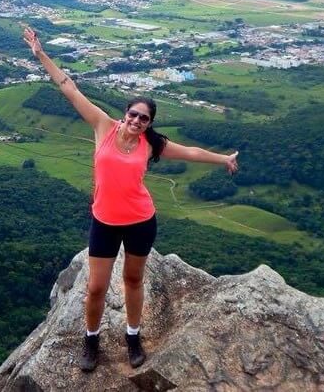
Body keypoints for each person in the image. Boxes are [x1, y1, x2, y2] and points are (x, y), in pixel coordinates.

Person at [23, 26, 238, 372]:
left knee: (134, 281)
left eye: (145, 118)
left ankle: (132, 337)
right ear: (124, 114)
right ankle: (90, 341)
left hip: (140, 221)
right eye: (134, 114)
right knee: (95, 288)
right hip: (104, 222)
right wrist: (40, 55)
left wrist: (223, 159)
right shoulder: (102, 126)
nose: (137, 121)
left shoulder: (150, 144)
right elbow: (68, 88)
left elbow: (192, 152)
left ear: (149, 123)